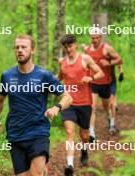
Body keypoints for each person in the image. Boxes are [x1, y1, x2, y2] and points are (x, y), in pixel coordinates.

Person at [0, 34, 72, 176]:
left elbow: (68, 97)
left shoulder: (44, 75)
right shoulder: (7, 76)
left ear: (32, 50)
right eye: (17, 47)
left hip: (38, 133)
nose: (20, 50)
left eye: (24, 47)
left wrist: (56, 107)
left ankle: (41, 170)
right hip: (15, 134)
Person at [58, 34, 104, 175]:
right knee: (69, 132)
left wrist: (90, 77)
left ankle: (84, 149)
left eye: (70, 46)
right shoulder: (62, 62)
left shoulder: (85, 58)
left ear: (75, 45)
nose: (68, 49)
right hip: (68, 102)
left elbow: (100, 73)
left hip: (84, 103)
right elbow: (59, 77)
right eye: (66, 47)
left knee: (84, 135)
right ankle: (70, 165)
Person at [83, 28, 123, 141]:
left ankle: (111, 120)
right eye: (92, 38)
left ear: (100, 37)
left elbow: (120, 60)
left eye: (97, 38)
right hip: (93, 82)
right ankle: (91, 132)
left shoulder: (107, 48)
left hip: (106, 83)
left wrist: (109, 62)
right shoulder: (88, 50)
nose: (94, 40)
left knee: (108, 106)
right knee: (92, 107)